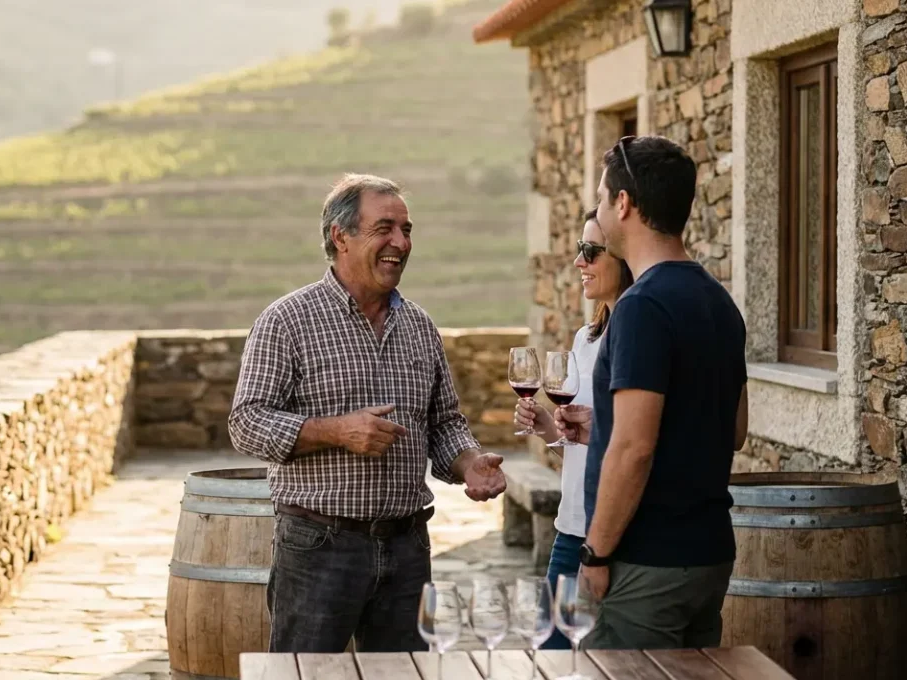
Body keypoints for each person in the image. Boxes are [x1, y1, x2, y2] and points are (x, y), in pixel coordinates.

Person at [228, 173, 507, 653]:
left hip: (408, 548)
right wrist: (337, 431)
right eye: (385, 228)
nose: (401, 242)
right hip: (319, 549)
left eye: (406, 229)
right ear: (341, 237)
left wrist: (469, 463)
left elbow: (444, 424)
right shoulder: (286, 321)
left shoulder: (420, 326)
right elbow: (246, 423)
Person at [555, 135, 749, 650]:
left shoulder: (642, 306)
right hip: (708, 555)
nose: (599, 208)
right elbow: (734, 430)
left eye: (602, 197)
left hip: (646, 562)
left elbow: (634, 448)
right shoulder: (719, 302)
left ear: (623, 203)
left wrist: (595, 552)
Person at [513, 207, 633, 650]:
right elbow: (584, 450)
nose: (579, 261)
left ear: (623, 256)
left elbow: (634, 446)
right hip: (571, 528)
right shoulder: (586, 338)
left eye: (590, 250)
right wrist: (549, 427)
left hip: (617, 535)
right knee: (551, 657)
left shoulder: (642, 338)